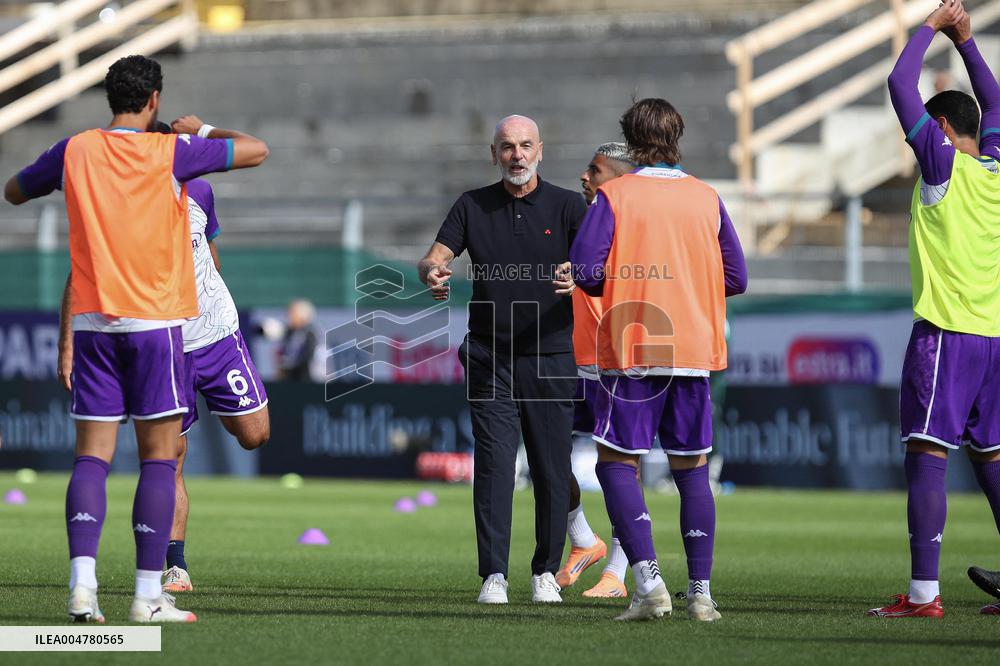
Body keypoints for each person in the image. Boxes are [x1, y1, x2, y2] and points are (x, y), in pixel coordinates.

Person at [4, 55, 269, 623]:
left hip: (97, 324)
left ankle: (82, 589)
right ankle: (149, 598)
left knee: (91, 459)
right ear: (154, 100)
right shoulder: (169, 153)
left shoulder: (74, 151)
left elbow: (14, 191)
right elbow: (255, 149)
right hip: (155, 326)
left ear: (109, 99)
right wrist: (200, 130)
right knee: (158, 458)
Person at [56, 122, 270, 594]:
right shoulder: (118, 207)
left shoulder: (201, 190)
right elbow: (80, 273)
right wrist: (68, 342)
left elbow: (211, 251)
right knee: (170, 455)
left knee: (255, 435)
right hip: (162, 339)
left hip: (214, 334)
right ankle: (175, 566)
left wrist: (207, 129)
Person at [571, 98, 747, 621]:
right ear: (678, 136)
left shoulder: (617, 195)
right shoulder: (706, 197)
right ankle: (702, 594)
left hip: (633, 348)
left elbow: (584, 269)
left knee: (617, 462)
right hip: (693, 349)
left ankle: (649, 585)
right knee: (692, 470)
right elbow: (736, 277)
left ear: (629, 137)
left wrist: (626, 279)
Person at [418, 115, 587, 604]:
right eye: (507, 147)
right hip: (490, 354)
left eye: (525, 145)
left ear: (541, 150)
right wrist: (432, 271)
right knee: (493, 465)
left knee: (552, 467)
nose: (517, 155)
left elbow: (599, 266)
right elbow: (433, 256)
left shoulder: (568, 205)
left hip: (551, 355)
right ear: (494, 154)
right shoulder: (471, 205)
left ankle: (545, 573)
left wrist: (579, 273)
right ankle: (494, 575)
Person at [868, 0, 1000, 619]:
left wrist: (933, 28)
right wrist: (969, 43)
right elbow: (995, 105)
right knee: (992, 456)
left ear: (941, 132)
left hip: (948, 332)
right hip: (996, 338)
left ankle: (923, 595)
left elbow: (899, 83)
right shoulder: (996, 168)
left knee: (926, 452)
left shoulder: (942, 166)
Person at [556, 142, 635, 598]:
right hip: (569, 362)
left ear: (618, 179)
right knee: (549, 458)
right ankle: (584, 540)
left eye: (595, 170)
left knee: (621, 464)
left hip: (617, 365)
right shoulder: (578, 219)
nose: (584, 176)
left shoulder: (633, 223)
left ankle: (619, 573)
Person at [276, 299, 319, 382]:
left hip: (306, 380)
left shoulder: (310, 333)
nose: (289, 316)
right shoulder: (289, 333)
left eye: (293, 313)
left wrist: (288, 367)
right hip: (290, 379)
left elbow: (309, 358)